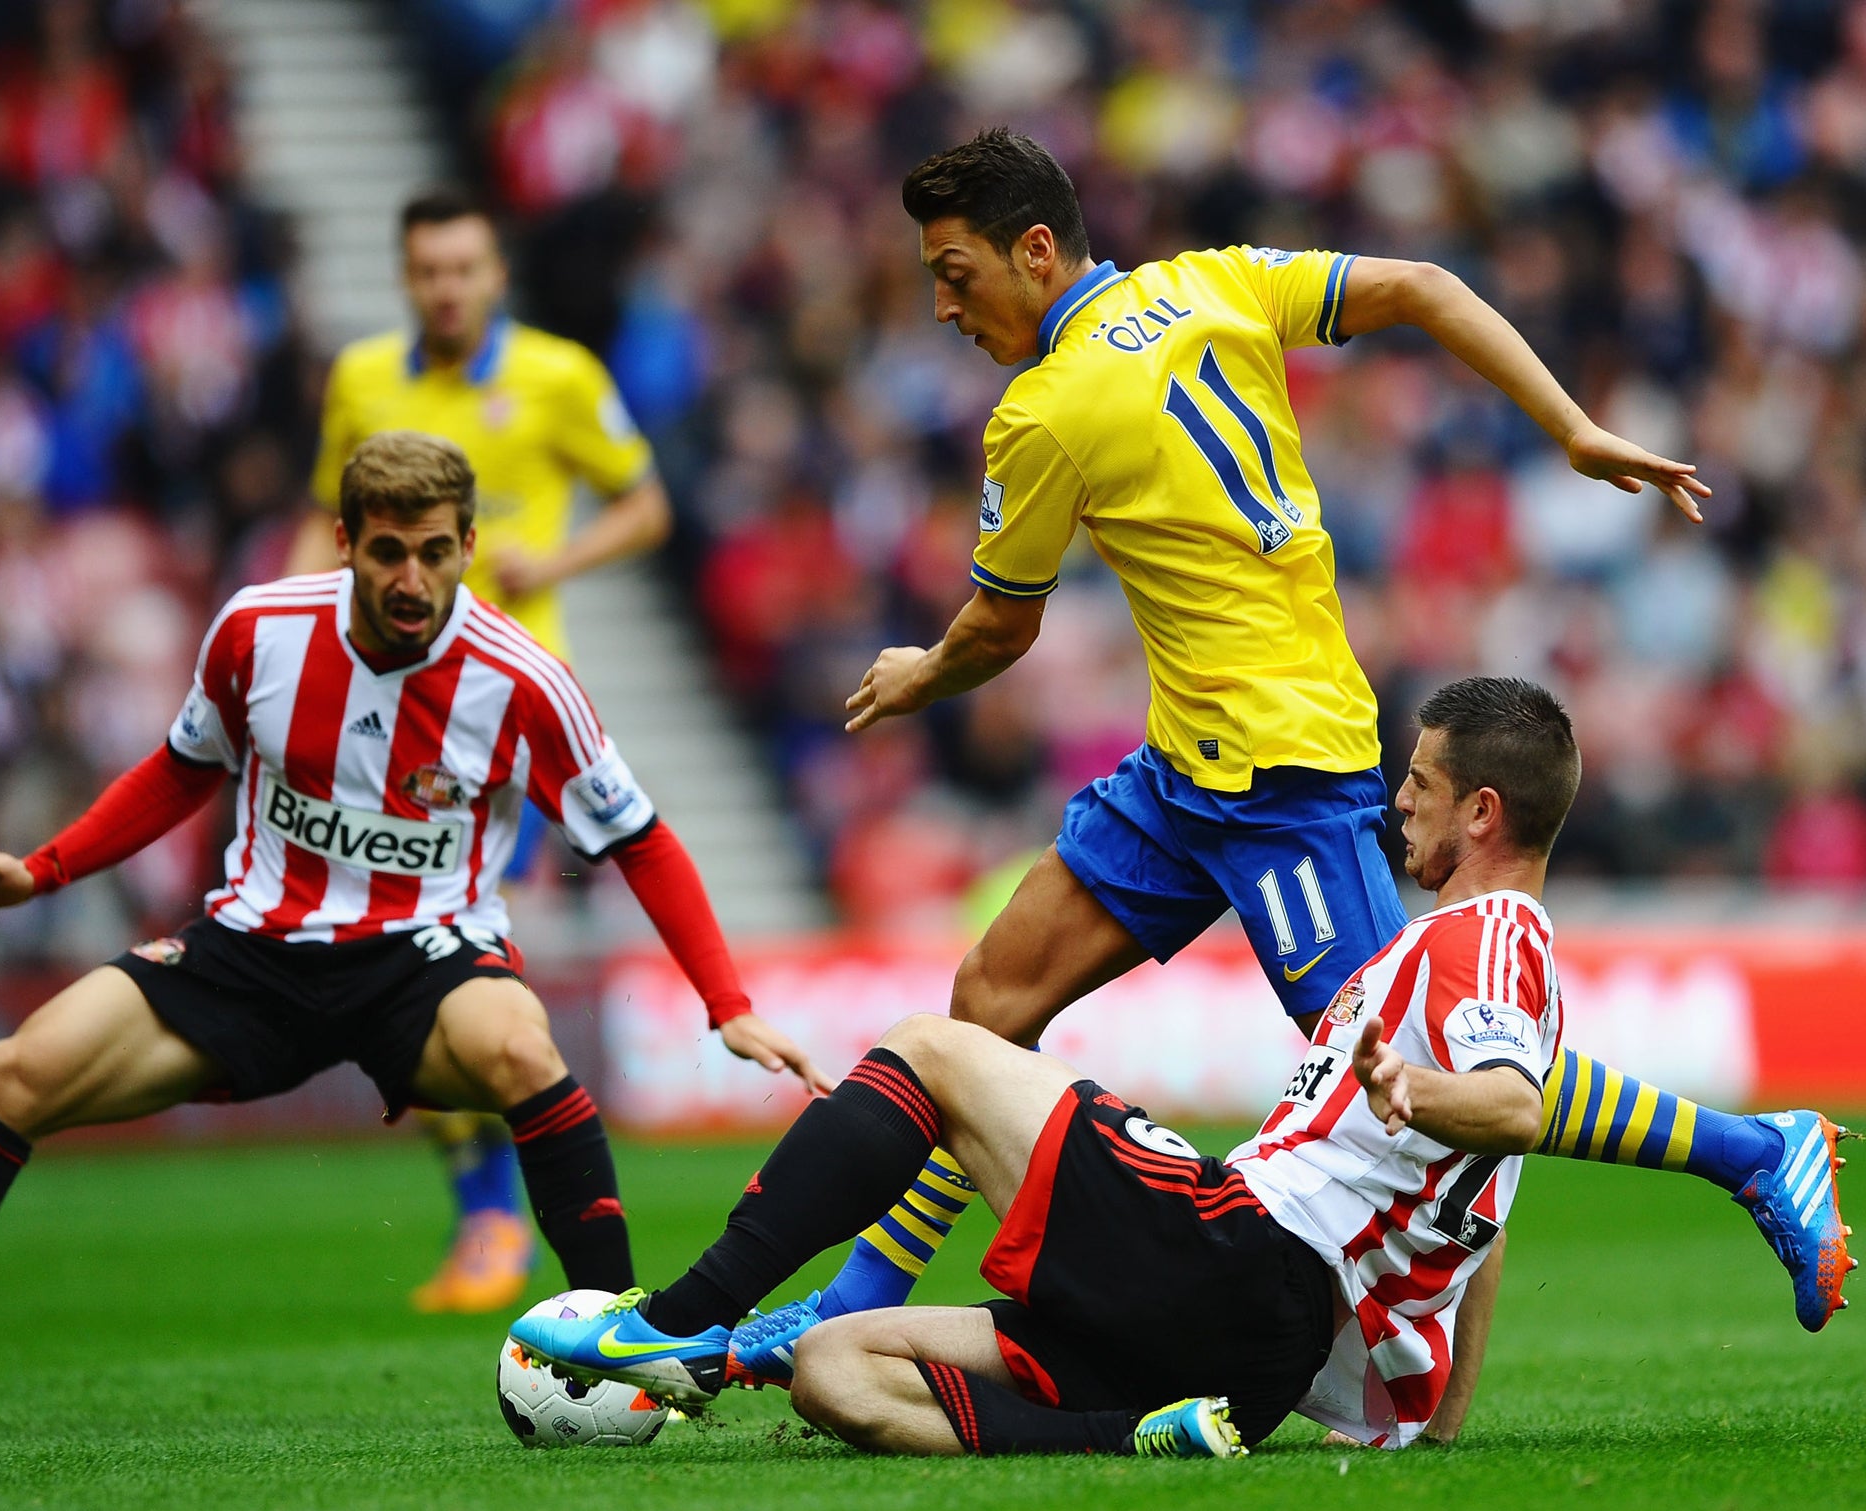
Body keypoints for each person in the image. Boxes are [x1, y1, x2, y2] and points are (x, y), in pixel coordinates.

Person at [785, 128, 1838, 1345]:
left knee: (1420, 1077)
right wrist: (1567, 426)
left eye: (955, 274)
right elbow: (1425, 287)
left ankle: (1756, 1149)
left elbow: (995, 631)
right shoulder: (1210, 280)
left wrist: (918, 673)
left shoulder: (1041, 413)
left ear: (1034, 251)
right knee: (989, 993)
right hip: (1187, 767)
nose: (938, 307)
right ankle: (856, 1299)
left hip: (1287, 775)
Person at [512, 679, 1855, 1458]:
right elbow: (1495, 1189)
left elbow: (1501, 1109)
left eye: (1421, 784)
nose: (1398, 802)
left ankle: (675, 1320)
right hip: (1248, 1362)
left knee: (945, 1045)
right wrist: (1430, 1423)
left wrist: (1416, 1094)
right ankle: (1152, 1431)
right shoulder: (1500, 977)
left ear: (1481, 814)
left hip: (1233, 1251)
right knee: (837, 1373)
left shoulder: (1481, 938)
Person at [0, 432, 822, 1434]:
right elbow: (180, 768)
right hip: (250, 950)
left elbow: (640, 841)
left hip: (424, 957)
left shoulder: (522, 680)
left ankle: (625, 1363)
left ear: (470, 543)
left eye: (435, 550)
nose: (411, 577)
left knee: (521, 1049)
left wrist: (724, 1006)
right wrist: (40, 869)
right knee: (12, 1073)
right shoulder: (259, 631)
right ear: (343, 542)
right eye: (388, 550)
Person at [291, 186, 676, 1314]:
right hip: (381, 708)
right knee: (400, 975)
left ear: (495, 273)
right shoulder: (363, 380)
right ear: (406, 277)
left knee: (432, 966)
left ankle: (494, 1221)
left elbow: (645, 505)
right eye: (426, 272)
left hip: (499, 718)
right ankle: (492, 1213)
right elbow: (330, 522)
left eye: (463, 269)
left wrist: (552, 565)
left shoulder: (557, 378)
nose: (445, 289)